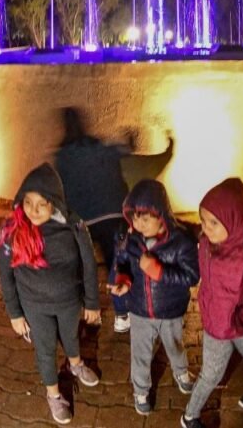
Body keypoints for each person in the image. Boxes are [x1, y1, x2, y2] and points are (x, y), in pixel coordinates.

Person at [0, 163, 101, 425]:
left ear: (54, 202)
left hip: (69, 301)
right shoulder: (11, 230)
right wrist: (15, 313)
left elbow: (89, 263)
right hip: (34, 305)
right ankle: (53, 394)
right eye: (28, 202)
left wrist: (92, 302)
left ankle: (75, 364)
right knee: (45, 350)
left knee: (71, 336)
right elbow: (5, 274)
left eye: (41, 204)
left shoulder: (74, 225)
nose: (33, 210)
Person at [55, 107, 174, 334]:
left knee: (84, 266)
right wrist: (137, 137)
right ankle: (122, 313)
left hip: (82, 221)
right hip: (113, 215)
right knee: (117, 265)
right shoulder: (100, 148)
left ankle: (87, 312)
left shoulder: (61, 158)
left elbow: (59, 189)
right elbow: (127, 148)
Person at [181, 178, 243, 428]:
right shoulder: (208, 240)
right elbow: (195, 231)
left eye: (213, 222)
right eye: (203, 220)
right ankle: (190, 416)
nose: (206, 228)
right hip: (216, 326)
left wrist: (238, 323)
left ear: (233, 219)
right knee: (210, 373)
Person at [110, 180, 199, 415]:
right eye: (135, 218)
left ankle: (181, 372)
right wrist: (124, 281)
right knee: (140, 354)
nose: (139, 225)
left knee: (175, 345)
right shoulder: (132, 240)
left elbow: (191, 276)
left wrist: (159, 272)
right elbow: (123, 263)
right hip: (139, 309)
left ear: (162, 215)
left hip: (170, 310)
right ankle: (140, 390)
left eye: (145, 219)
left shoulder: (181, 241)